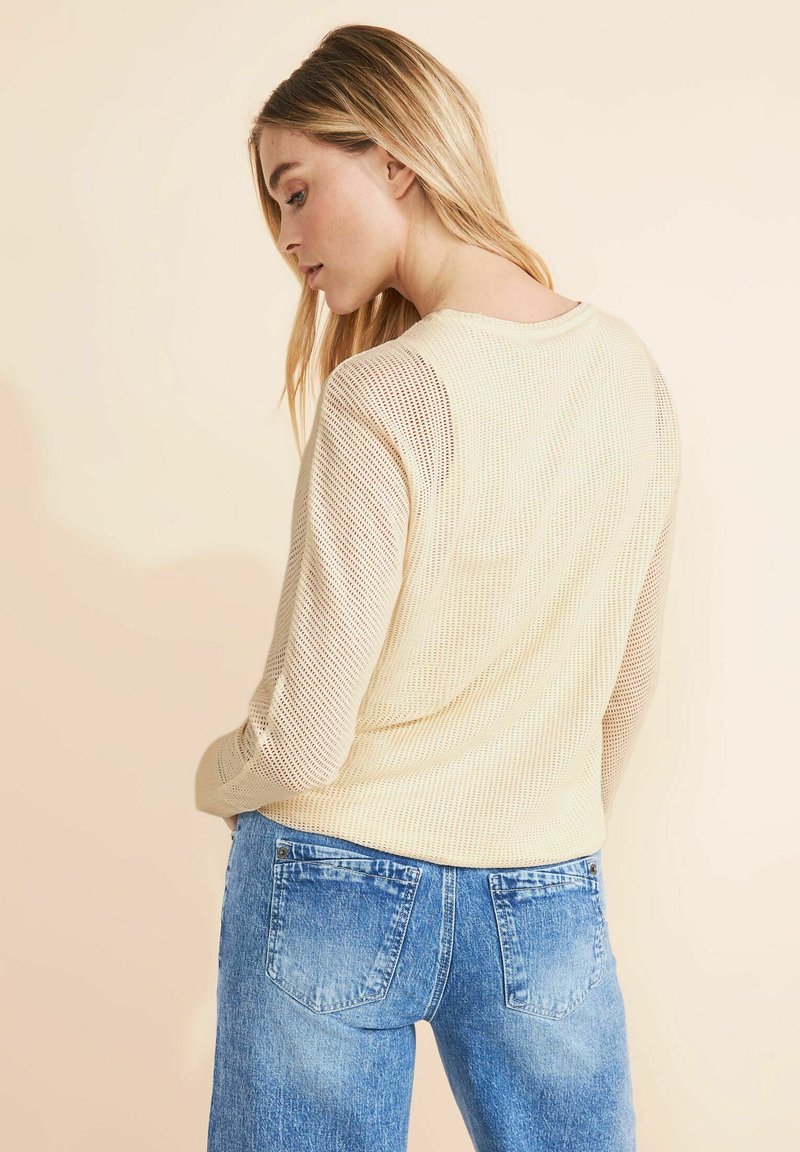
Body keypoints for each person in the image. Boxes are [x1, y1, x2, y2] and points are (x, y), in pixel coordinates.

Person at [194, 23, 680, 1152]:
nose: (287, 235)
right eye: (274, 206)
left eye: (298, 190)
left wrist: (217, 776)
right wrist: (531, 821)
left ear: (397, 160)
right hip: (543, 883)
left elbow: (301, 740)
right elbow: (626, 684)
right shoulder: (630, 375)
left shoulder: (386, 392)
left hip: (330, 872)